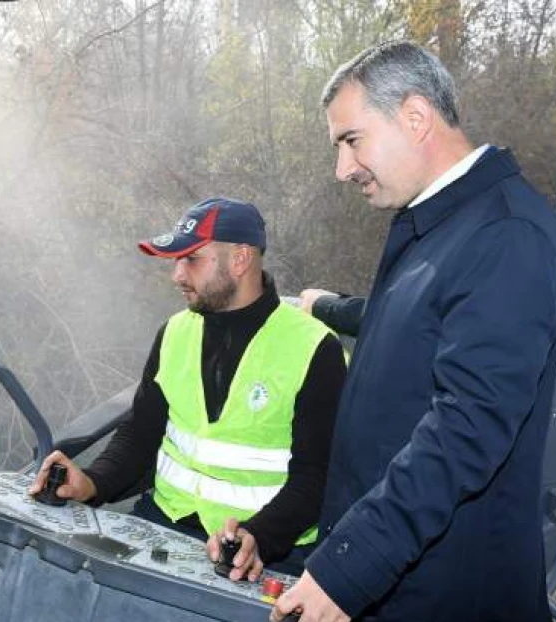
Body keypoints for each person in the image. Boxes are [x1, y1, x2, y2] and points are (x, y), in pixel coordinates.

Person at [270, 41, 556, 622]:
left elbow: (468, 427)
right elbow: (414, 320)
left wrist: (348, 567)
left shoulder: (507, 236)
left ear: (415, 116)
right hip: (402, 579)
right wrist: (328, 307)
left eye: (350, 141)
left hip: (447, 595)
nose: (343, 169)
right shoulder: (441, 222)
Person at [29, 198, 346, 580]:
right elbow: (141, 434)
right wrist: (92, 482)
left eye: (191, 259)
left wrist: (258, 537)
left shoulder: (315, 349)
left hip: (264, 553)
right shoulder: (175, 332)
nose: (177, 275)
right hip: (162, 527)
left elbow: (317, 477)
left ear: (241, 259)